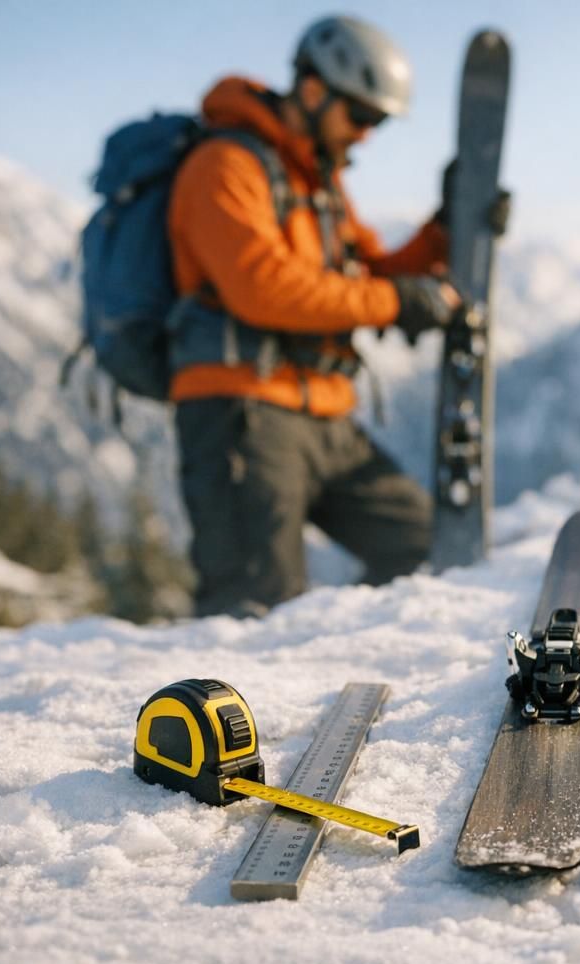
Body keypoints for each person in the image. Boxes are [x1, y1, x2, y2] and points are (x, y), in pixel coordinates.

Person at [166, 15, 499, 617]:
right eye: (362, 116)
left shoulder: (314, 182)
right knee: (254, 609)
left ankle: (344, 658)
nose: (367, 135)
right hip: (241, 414)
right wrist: (399, 302)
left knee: (425, 547)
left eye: (378, 121)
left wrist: (445, 228)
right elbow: (264, 290)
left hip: (323, 411)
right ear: (314, 91)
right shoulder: (224, 167)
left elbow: (368, 271)